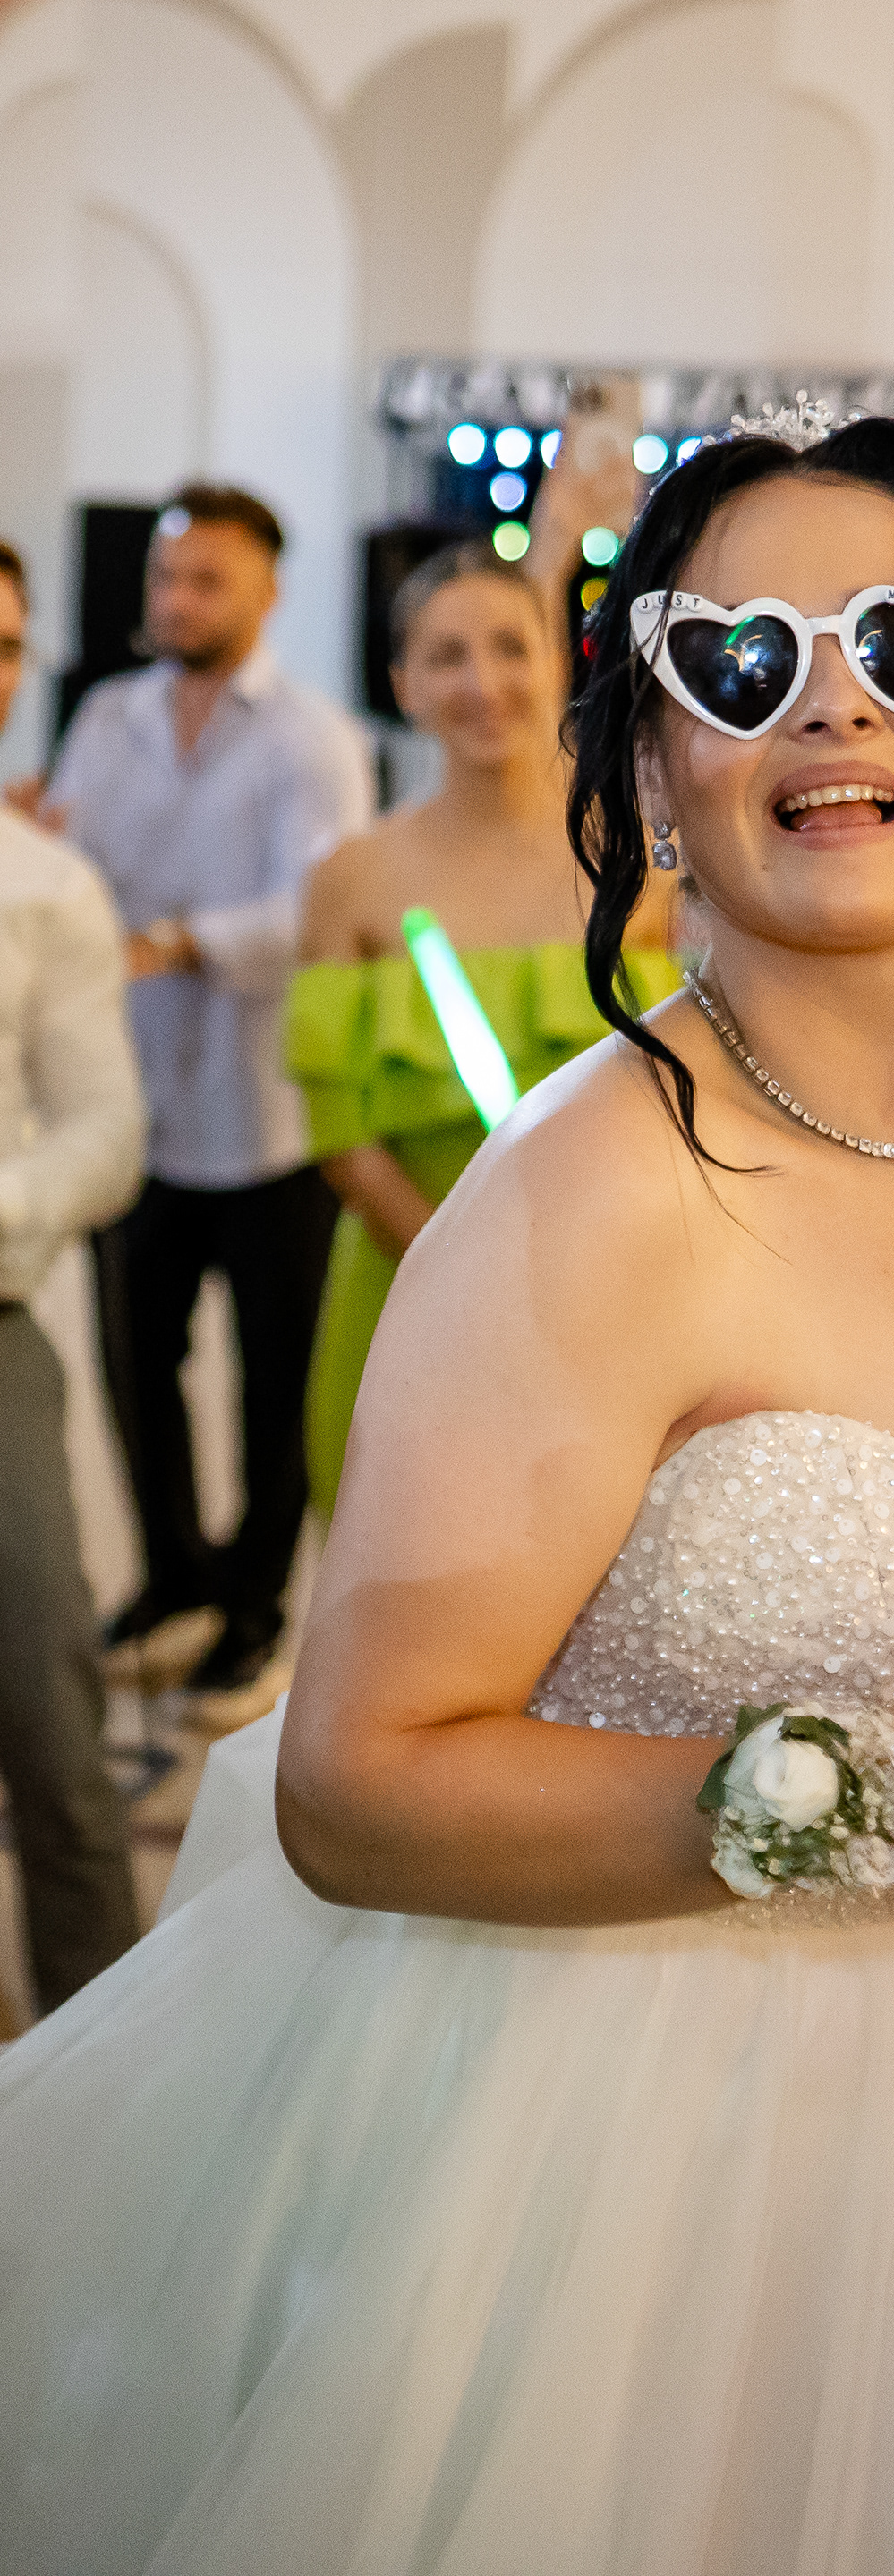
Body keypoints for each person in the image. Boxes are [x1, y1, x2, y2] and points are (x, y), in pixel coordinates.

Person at [0, 418, 894, 2573]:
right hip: (590, 2146)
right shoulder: (591, 1191)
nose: (835, 704)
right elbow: (354, 1785)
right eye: (741, 662)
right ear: (655, 775)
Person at [45, 485, 373, 1721]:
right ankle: (172, 1577)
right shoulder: (107, 719)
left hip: (266, 1110)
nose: (176, 601)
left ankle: (251, 1609)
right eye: (165, 578)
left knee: (271, 1380)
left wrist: (182, 941)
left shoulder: (313, 739)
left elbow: (316, 909)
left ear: (267, 591)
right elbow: (76, 869)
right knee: (138, 1361)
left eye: (204, 581)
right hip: (133, 1105)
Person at [289, 540, 679, 1519]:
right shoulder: (351, 878)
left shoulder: (641, 862)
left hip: (617, 1290)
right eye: (445, 656)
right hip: (411, 1279)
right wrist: (463, 1272)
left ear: (555, 661)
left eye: (510, 647)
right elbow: (342, 1137)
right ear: (402, 685)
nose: (482, 683)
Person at [0, 539, 144, 2012]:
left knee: (49, 1703)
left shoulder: (46, 885)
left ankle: (91, 2064)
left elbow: (107, 1131)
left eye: (1, 647)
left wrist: (9, 1202)